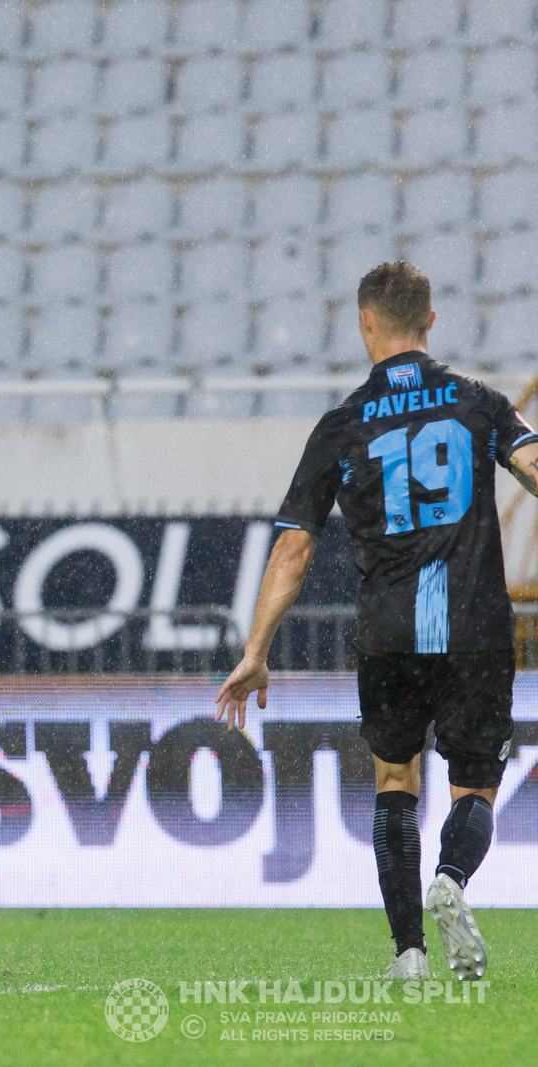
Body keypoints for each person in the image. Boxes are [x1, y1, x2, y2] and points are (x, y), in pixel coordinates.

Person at [215, 263, 538, 981]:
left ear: (367, 325)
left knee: (395, 779)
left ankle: (409, 953)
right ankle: (451, 878)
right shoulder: (477, 403)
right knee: (475, 784)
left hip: (388, 632)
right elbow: (533, 464)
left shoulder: (341, 426)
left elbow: (293, 549)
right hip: (475, 626)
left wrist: (256, 650)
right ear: (430, 321)